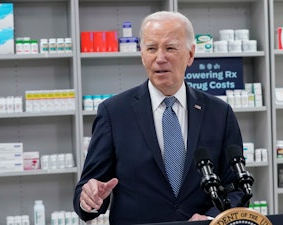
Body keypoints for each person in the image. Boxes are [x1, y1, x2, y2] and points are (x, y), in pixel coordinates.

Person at [73, 11, 244, 225]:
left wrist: (210, 218)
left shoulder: (219, 113)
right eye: (151, 48)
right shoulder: (114, 112)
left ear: (190, 55)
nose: (160, 58)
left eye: (170, 48)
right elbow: (87, 189)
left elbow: (236, 186)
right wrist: (90, 198)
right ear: (142, 54)